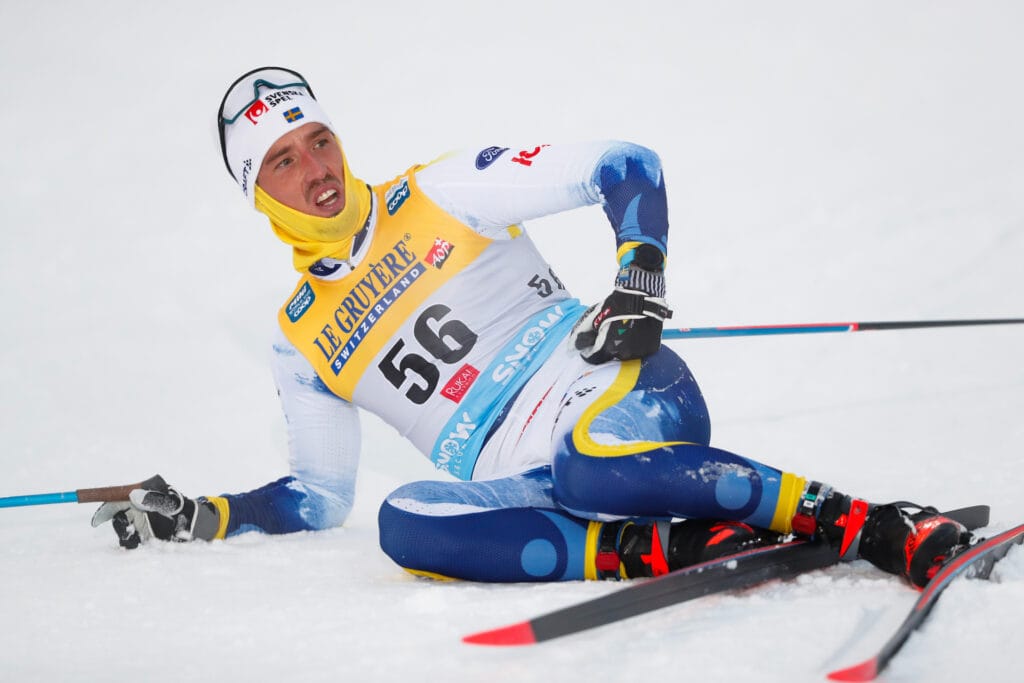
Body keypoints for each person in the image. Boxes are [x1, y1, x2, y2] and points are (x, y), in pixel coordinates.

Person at [93, 66, 971, 588]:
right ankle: (653, 548)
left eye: (318, 139)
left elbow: (624, 166)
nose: (314, 167)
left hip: (616, 392)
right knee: (407, 522)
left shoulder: (437, 191)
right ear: (260, 192)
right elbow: (318, 498)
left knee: (590, 455)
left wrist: (638, 276)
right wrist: (204, 515)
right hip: (531, 478)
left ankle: (874, 522)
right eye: (283, 161)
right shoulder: (301, 335)